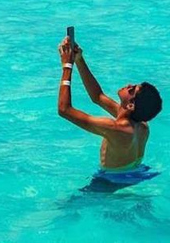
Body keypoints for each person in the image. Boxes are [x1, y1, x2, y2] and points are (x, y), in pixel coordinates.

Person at [57, 36, 162, 191]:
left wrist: (67, 66)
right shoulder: (142, 125)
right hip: (138, 174)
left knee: (65, 209)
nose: (129, 85)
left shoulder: (117, 129)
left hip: (111, 183)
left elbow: (64, 110)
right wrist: (79, 59)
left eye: (132, 90)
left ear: (131, 104)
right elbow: (97, 96)